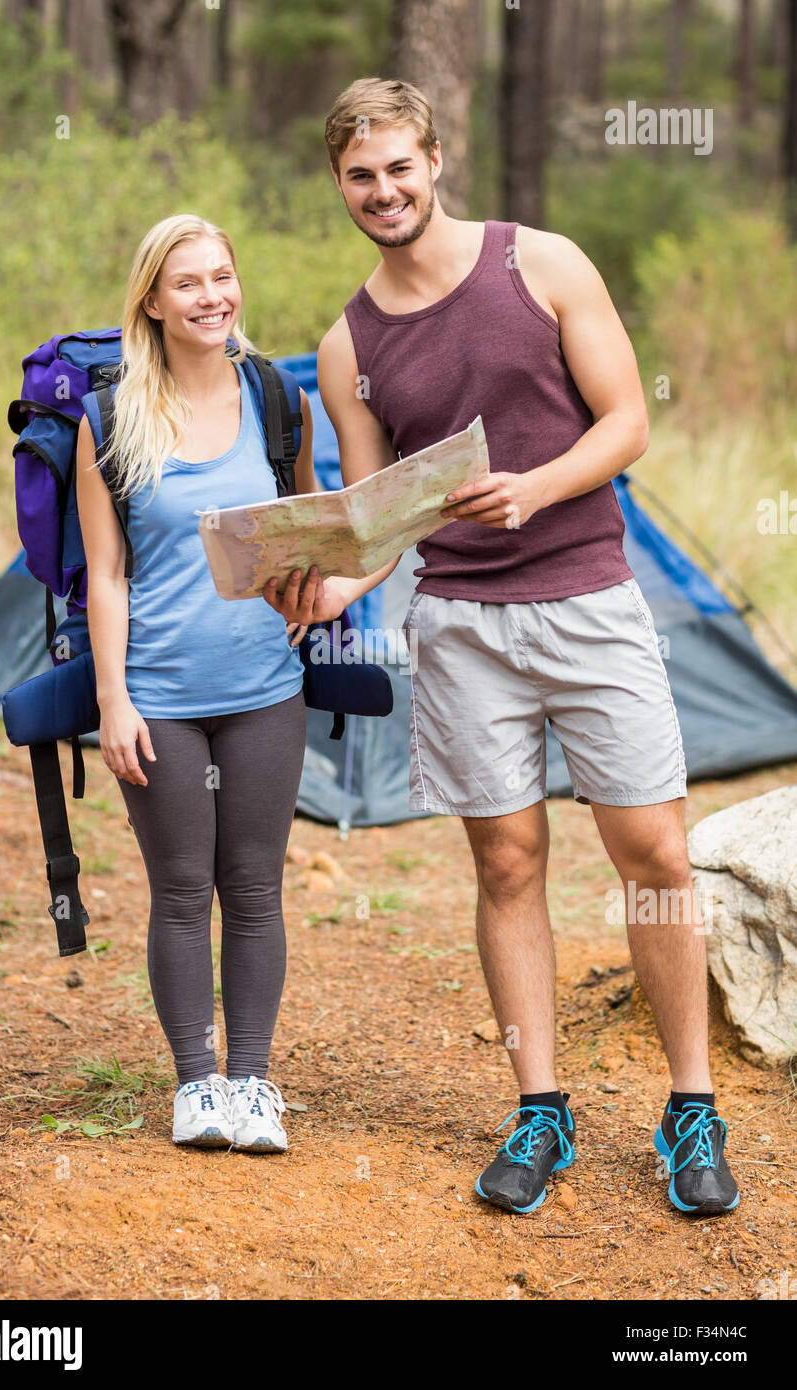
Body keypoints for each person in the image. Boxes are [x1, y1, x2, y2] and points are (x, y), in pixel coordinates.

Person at [267, 79, 739, 1217]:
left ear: (434, 158)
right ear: (339, 184)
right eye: (358, 176)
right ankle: (540, 1105)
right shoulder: (348, 345)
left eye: (397, 167)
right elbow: (388, 513)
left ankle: (689, 1103)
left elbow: (626, 420)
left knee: (655, 855)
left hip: (587, 600)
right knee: (507, 863)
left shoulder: (544, 264)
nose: (382, 192)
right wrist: (336, 583)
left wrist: (535, 489)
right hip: (459, 627)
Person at [75, 213, 358, 1152]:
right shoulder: (109, 418)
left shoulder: (278, 399)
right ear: (152, 300)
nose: (212, 298)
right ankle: (196, 1084)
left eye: (223, 277)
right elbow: (106, 576)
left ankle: (252, 1084)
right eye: (188, 283)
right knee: (182, 890)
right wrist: (113, 699)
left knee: (256, 885)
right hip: (158, 697)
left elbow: (309, 531)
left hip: (265, 687)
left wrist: (320, 584)